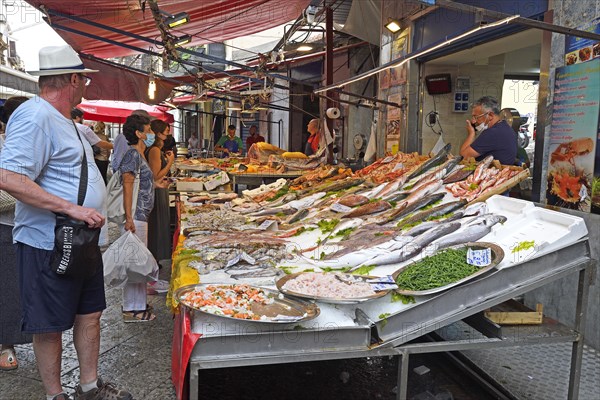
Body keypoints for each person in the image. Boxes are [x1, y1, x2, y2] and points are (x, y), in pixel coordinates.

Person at [0, 45, 132, 400]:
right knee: (49, 325)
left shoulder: (68, 122)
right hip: (49, 240)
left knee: (90, 313)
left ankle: (89, 386)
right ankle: (55, 394)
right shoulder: (34, 115)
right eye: (84, 79)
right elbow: (9, 177)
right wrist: (71, 209)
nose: (86, 85)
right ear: (73, 79)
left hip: (82, 240)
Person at [117, 114, 169, 322]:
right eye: (147, 131)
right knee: (134, 264)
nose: (150, 134)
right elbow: (127, 185)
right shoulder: (132, 155)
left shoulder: (139, 154)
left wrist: (157, 185)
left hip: (141, 215)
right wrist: (128, 217)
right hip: (135, 218)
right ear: (138, 133)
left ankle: (138, 304)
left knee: (138, 263)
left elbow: (142, 182)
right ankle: (132, 309)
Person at [0, 96, 32, 373]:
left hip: (26, 226)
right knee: (8, 285)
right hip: (5, 225)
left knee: (20, 286)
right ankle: (5, 344)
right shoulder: (4, 145)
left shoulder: (29, 145)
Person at [146, 119, 175, 263]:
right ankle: (154, 259)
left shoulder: (157, 149)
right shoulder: (154, 150)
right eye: (166, 132)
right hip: (157, 191)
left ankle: (156, 260)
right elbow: (156, 175)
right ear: (159, 134)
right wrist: (170, 162)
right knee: (156, 226)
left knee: (159, 225)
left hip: (160, 189)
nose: (168, 134)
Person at [459, 96, 517, 166]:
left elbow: (464, 155)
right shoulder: (505, 127)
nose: (473, 121)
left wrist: (471, 133)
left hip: (493, 174)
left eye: (476, 117)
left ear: (490, 115)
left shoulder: (492, 133)